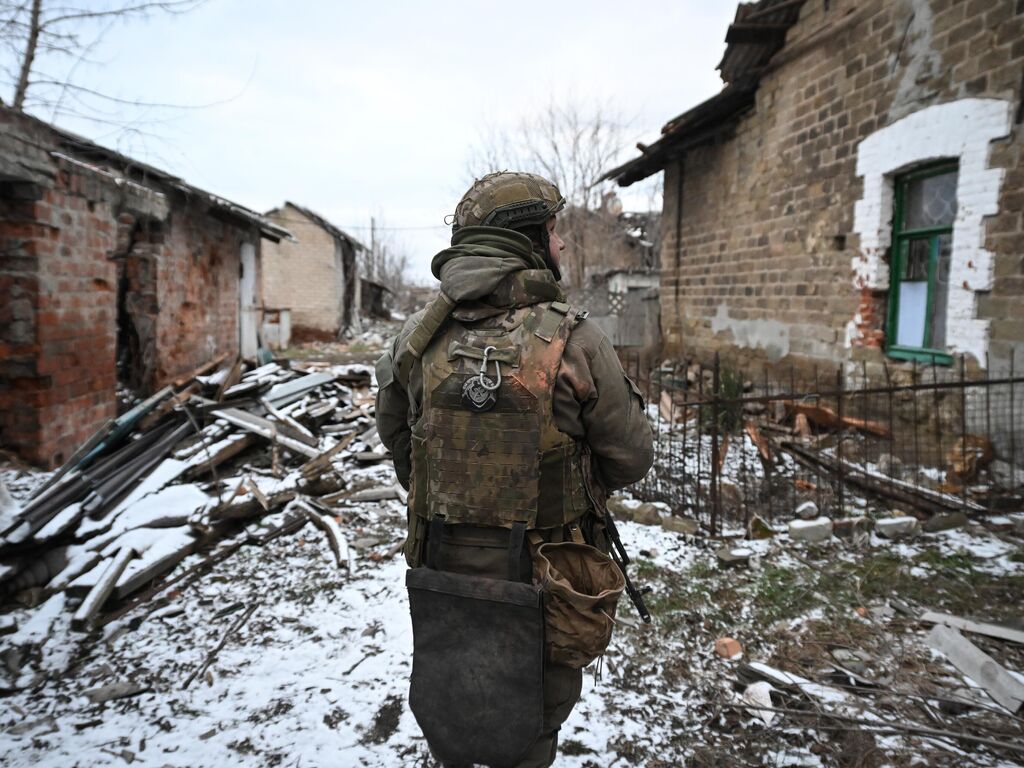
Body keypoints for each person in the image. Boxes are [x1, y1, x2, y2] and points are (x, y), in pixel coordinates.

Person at [375, 171, 653, 768]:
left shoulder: (417, 339)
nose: (561, 246)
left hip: (441, 565)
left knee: (452, 700)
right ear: (528, 239)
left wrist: (452, 489)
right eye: (555, 232)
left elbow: (397, 438)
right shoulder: (575, 341)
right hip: (545, 576)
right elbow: (631, 459)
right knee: (534, 724)